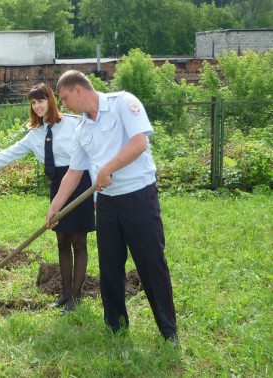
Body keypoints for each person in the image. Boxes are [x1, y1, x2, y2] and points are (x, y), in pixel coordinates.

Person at [46, 70, 178, 342]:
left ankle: (168, 331)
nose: (64, 105)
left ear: (79, 90)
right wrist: (56, 206)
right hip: (105, 204)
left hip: (138, 197)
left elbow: (139, 143)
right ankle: (116, 328)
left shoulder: (123, 104)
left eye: (65, 98)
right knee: (110, 267)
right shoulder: (82, 129)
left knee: (151, 262)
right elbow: (74, 172)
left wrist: (108, 168)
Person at [0, 83, 95, 314]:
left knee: (78, 242)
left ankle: (76, 296)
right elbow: (8, 155)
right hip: (57, 186)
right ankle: (64, 294)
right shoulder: (34, 133)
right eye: (33, 102)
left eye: (41, 100)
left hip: (80, 182)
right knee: (62, 240)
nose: (37, 106)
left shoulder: (73, 124)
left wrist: (96, 194)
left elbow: (91, 156)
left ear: (50, 100)